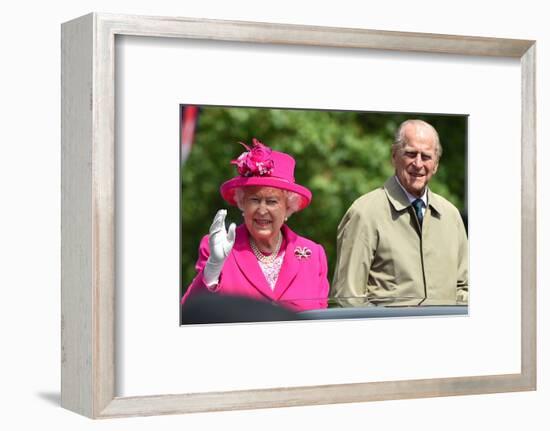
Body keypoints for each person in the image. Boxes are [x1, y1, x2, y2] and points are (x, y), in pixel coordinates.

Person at [181, 138, 329, 313]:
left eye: (272, 201)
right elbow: (190, 312)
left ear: (288, 206)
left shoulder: (313, 255)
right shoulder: (217, 249)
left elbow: (322, 317)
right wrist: (212, 270)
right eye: (254, 200)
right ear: (242, 203)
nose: (262, 210)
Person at [331, 119, 468, 307]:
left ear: (436, 164)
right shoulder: (364, 213)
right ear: (394, 155)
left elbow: (464, 289)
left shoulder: (451, 216)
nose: (418, 164)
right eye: (410, 154)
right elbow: (348, 298)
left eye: (426, 156)